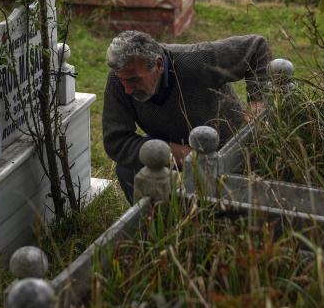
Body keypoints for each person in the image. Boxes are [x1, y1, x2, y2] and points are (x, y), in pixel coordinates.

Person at [102, 29, 272, 202]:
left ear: (159, 65)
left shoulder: (198, 60)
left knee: (228, 207)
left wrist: (257, 101)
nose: (127, 89)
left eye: (134, 80)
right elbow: (116, 141)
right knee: (127, 168)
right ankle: (158, 224)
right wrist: (183, 155)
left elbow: (257, 47)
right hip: (174, 148)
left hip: (228, 148)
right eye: (122, 80)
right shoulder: (119, 80)